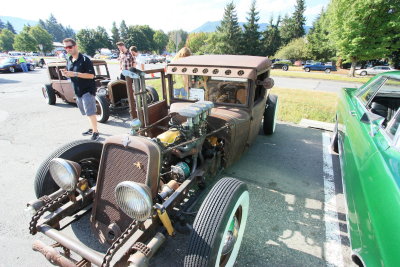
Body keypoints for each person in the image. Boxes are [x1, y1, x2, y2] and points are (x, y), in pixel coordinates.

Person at [61, 38, 100, 141]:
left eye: (69, 47)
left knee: (90, 112)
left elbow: (91, 75)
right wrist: (66, 74)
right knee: (86, 112)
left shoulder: (85, 59)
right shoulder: (69, 60)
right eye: (65, 47)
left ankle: (96, 132)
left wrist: (74, 74)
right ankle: (92, 128)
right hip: (77, 90)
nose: (67, 49)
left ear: (75, 46)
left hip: (87, 89)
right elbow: (71, 74)